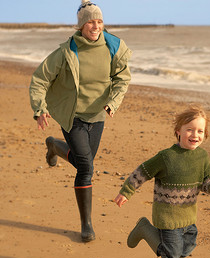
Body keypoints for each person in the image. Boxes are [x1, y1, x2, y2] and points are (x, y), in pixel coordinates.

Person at [29, 0, 132, 242]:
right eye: (90, 22)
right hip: (72, 114)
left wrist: (113, 102)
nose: (95, 26)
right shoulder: (66, 51)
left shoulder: (114, 46)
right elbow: (39, 80)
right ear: (80, 25)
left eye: (99, 21)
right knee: (86, 167)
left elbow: (122, 78)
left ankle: (54, 146)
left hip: (97, 115)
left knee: (81, 160)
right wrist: (39, 107)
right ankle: (86, 224)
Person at [113, 106, 210, 258]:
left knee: (188, 246)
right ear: (178, 131)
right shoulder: (167, 157)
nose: (195, 135)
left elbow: (205, 182)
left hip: (188, 215)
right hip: (167, 215)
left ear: (205, 134)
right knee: (171, 251)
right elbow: (143, 171)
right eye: (189, 129)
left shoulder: (202, 156)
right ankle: (144, 228)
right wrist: (126, 191)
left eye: (200, 131)